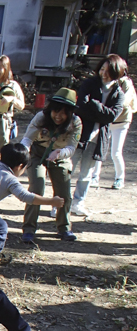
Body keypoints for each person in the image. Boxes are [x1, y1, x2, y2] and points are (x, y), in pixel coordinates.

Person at [20, 88, 83, 243]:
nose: (58, 116)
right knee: (37, 188)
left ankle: (64, 228)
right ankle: (29, 229)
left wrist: (58, 154)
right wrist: (23, 153)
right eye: (56, 111)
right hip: (38, 154)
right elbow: (27, 139)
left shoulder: (76, 122)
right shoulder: (41, 117)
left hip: (60, 156)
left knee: (63, 192)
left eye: (63, 113)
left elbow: (71, 147)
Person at [70, 54, 125, 216]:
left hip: (98, 138)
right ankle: (59, 203)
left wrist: (94, 104)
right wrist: (100, 112)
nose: (104, 73)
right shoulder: (89, 83)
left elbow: (111, 117)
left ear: (117, 72)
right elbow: (81, 106)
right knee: (68, 169)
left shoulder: (118, 93)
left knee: (86, 173)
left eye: (108, 71)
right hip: (80, 133)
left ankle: (78, 203)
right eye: (102, 69)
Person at [90, 61, 136, 190]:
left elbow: (124, 102)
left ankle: (119, 179)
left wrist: (108, 108)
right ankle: (94, 177)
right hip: (105, 121)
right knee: (99, 148)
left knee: (115, 152)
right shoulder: (102, 81)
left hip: (121, 122)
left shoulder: (125, 83)